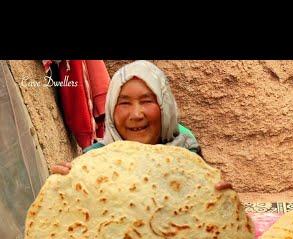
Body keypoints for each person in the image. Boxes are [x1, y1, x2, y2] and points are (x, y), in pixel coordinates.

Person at [51, 60, 207, 176]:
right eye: (124, 103)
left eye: (147, 101)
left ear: (165, 107)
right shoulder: (94, 162)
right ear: (111, 111)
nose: (136, 114)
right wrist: (62, 186)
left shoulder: (186, 149)